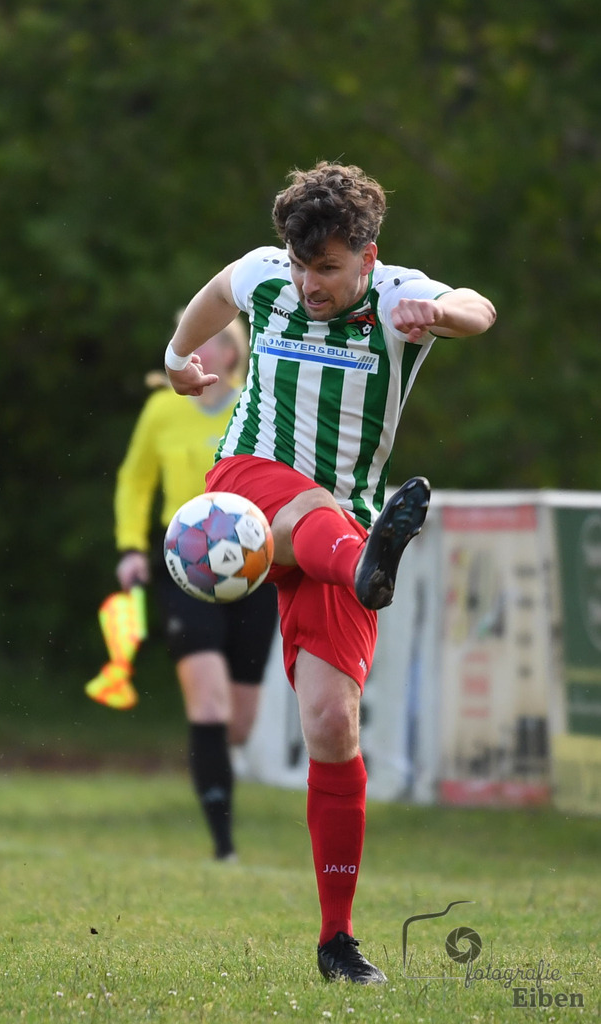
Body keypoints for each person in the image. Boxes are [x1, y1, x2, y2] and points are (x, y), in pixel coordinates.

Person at [162, 161, 497, 984]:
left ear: (367, 258)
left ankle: (336, 941)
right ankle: (363, 564)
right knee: (311, 510)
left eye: (327, 268)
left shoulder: (400, 295)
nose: (309, 283)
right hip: (247, 486)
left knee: (330, 725)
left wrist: (439, 313)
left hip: (342, 523)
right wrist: (175, 357)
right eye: (299, 264)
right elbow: (219, 289)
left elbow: (480, 309)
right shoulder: (267, 275)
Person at [114, 315, 278, 861]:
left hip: (254, 571)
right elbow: (135, 480)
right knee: (208, 703)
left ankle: (211, 772)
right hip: (184, 570)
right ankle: (223, 847)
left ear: (232, 353)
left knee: (238, 723)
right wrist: (131, 547)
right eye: (188, 337)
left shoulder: (258, 406)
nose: (195, 346)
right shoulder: (161, 409)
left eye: (208, 338)